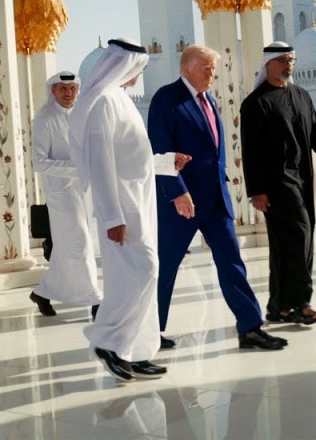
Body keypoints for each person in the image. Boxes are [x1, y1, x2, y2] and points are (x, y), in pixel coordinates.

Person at [148, 44, 288, 351]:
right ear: (186, 69)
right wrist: (178, 192)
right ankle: (149, 332)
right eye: (206, 68)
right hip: (181, 202)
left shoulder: (209, 99)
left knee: (232, 262)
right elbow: (160, 150)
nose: (212, 74)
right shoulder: (166, 99)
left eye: (213, 69)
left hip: (215, 201)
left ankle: (250, 327)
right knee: (165, 267)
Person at [69, 38, 184, 382]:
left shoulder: (120, 99)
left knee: (142, 274)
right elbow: (101, 163)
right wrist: (111, 217)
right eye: (139, 68)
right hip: (122, 207)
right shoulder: (104, 102)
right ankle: (107, 341)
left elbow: (132, 156)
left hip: (139, 202)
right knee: (143, 271)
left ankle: (135, 351)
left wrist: (166, 163)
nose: (140, 75)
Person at [240, 42, 316, 325]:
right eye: (283, 60)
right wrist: (256, 190)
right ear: (268, 65)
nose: (288, 65)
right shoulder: (256, 103)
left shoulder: (301, 96)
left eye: (291, 60)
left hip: (302, 177)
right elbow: (251, 151)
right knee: (300, 237)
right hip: (276, 182)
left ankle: (278, 307)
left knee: (287, 244)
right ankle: (301, 304)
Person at [29, 70, 102, 320]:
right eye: (63, 89)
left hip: (84, 191)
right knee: (79, 242)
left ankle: (43, 292)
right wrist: (76, 168)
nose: (68, 93)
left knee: (69, 245)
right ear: (53, 91)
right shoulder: (44, 119)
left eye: (72, 88)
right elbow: (39, 163)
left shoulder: (81, 115)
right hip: (61, 193)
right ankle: (95, 299)